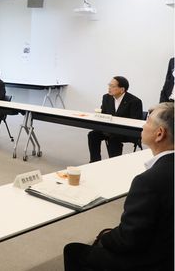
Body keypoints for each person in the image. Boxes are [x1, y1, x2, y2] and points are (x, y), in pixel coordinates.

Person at [64, 102, 174, 271]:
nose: (143, 126)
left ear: (159, 134)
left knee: (74, 251)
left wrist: (105, 238)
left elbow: (129, 240)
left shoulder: (149, 181)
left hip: (154, 261)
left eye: (147, 121)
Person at [88, 76, 143, 162]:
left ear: (122, 89)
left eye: (112, 86)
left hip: (126, 131)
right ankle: (94, 161)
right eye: (109, 85)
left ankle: (114, 163)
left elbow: (135, 121)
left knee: (113, 137)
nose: (109, 88)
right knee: (93, 135)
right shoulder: (106, 98)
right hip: (110, 129)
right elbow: (103, 114)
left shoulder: (134, 101)